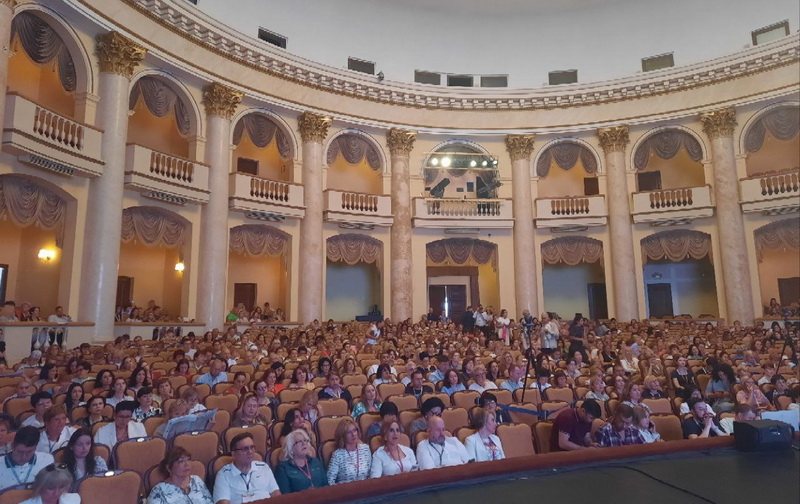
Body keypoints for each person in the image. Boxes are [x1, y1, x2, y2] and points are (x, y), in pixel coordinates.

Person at [213, 432, 281, 503]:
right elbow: (222, 502)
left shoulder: (264, 467)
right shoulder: (224, 474)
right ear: (234, 454)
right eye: (245, 449)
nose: (250, 452)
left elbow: (276, 495)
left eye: (252, 447)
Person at [147, 446, 213, 504]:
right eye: (181, 461)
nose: (187, 464)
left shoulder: (197, 481)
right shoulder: (159, 491)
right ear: (169, 467)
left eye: (188, 460)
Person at [326, 417, 371, 485]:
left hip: (366, 489)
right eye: (349, 432)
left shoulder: (366, 449)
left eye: (354, 430)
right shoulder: (337, 455)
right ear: (343, 436)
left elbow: (371, 474)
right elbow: (329, 481)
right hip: (345, 490)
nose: (353, 434)